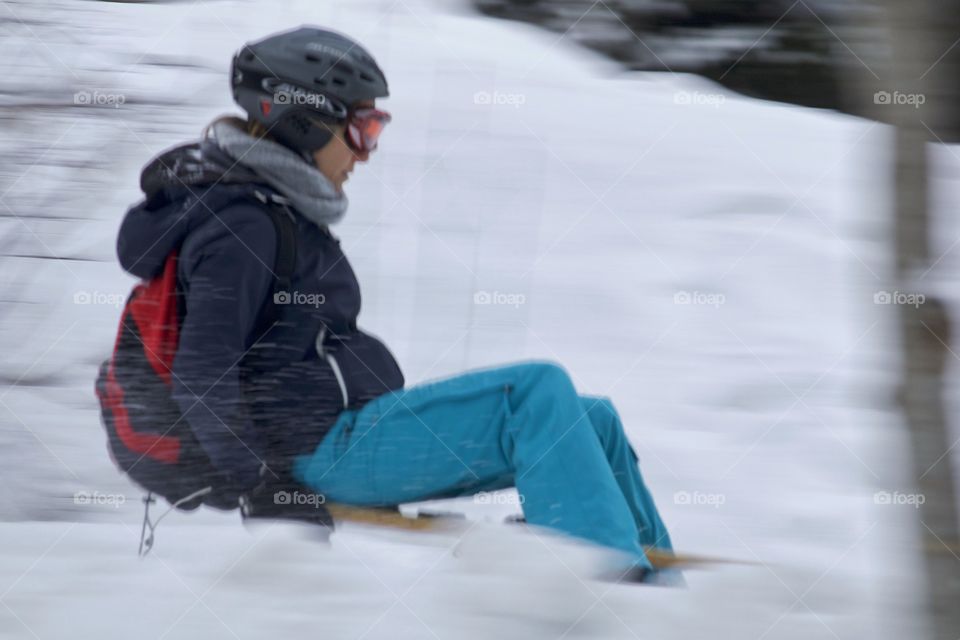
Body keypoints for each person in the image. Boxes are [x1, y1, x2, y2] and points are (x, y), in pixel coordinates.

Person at [114, 26, 674, 580]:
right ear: (304, 121)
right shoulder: (243, 225)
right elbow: (201, 371)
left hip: (346, 433)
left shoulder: (276, 212)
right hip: (317, 452)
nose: (367, 151)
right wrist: (261, 484)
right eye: (362, 127)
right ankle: (603, 584)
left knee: (587, 417)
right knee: (534, 392)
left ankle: (661, 591)